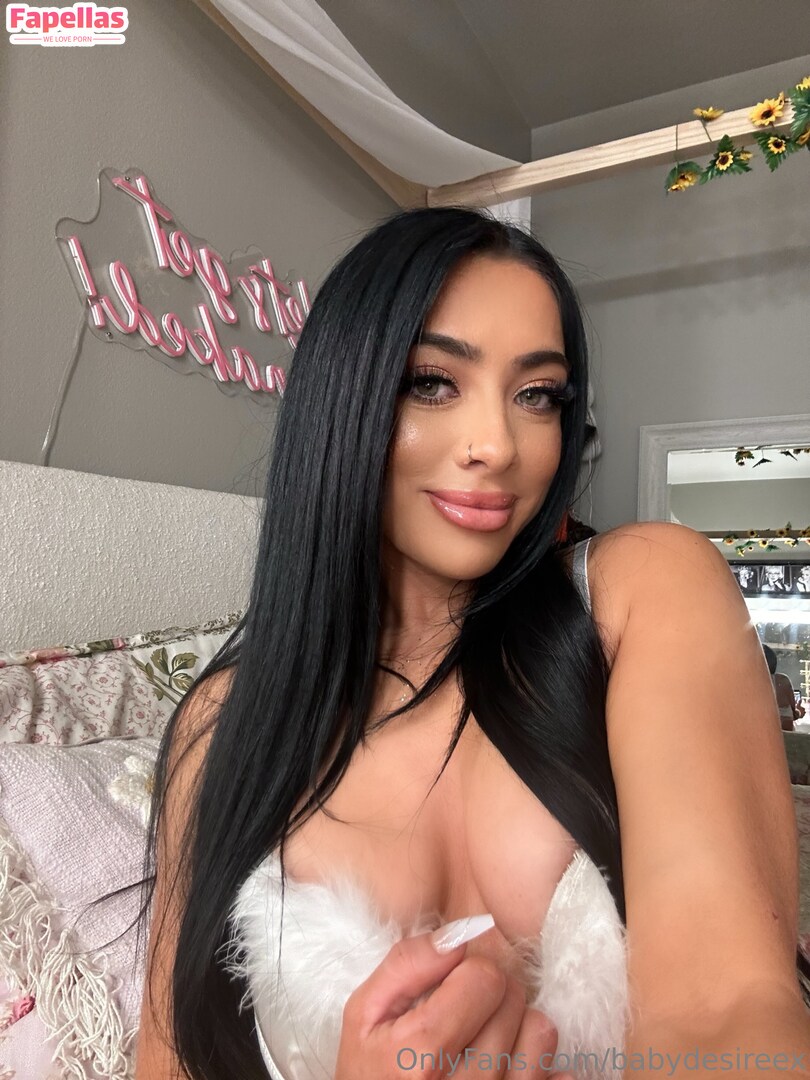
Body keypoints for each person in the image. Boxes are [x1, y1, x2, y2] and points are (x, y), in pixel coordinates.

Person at [133, 207, 810, 1080]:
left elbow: (728, 1010)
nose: (497, 445)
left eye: (538, 395)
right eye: (432, 382)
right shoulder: (220, 727)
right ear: (341, 395)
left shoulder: (643, 593)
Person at [763, 644, 804, 732]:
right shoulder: (782, 680)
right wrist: (800, 712)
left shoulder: (744, 686)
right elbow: (793, 714)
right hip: (785, 736)